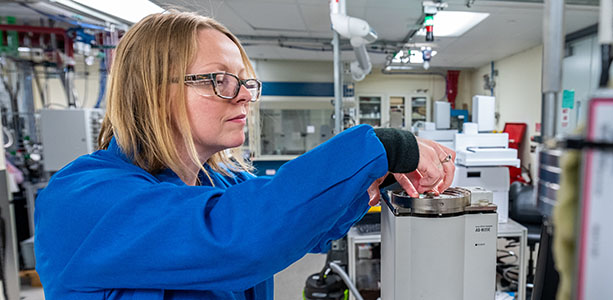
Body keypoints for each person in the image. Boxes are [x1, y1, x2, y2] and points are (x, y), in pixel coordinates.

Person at [34, 11, 455, 300]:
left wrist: (373, 178)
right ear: (153, 90)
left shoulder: (217, 182)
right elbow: (239, 234)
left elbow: (300, 222)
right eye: (219, 80)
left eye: (246, 81)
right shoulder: (82, 199)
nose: (243, 97)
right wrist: (383, 146)